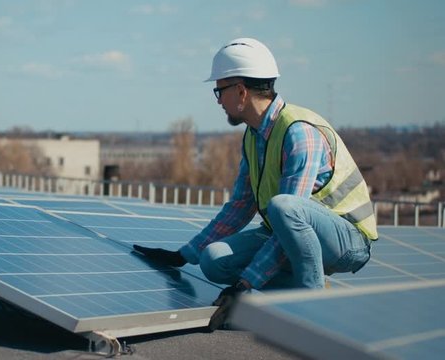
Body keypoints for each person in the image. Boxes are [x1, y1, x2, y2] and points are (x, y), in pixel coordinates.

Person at [133, 38, 378, 329]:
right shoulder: (253, 136)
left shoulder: (299, 133)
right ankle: (303, 291)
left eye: (219, 91)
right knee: (213, 260)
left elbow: (289, 215)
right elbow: (239, 207)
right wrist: (184, 255)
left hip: (346, 239)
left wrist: (244, 284)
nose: (219, 101)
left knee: (284, 207)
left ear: (240, 91)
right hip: (293, 231)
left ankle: (311, 308)